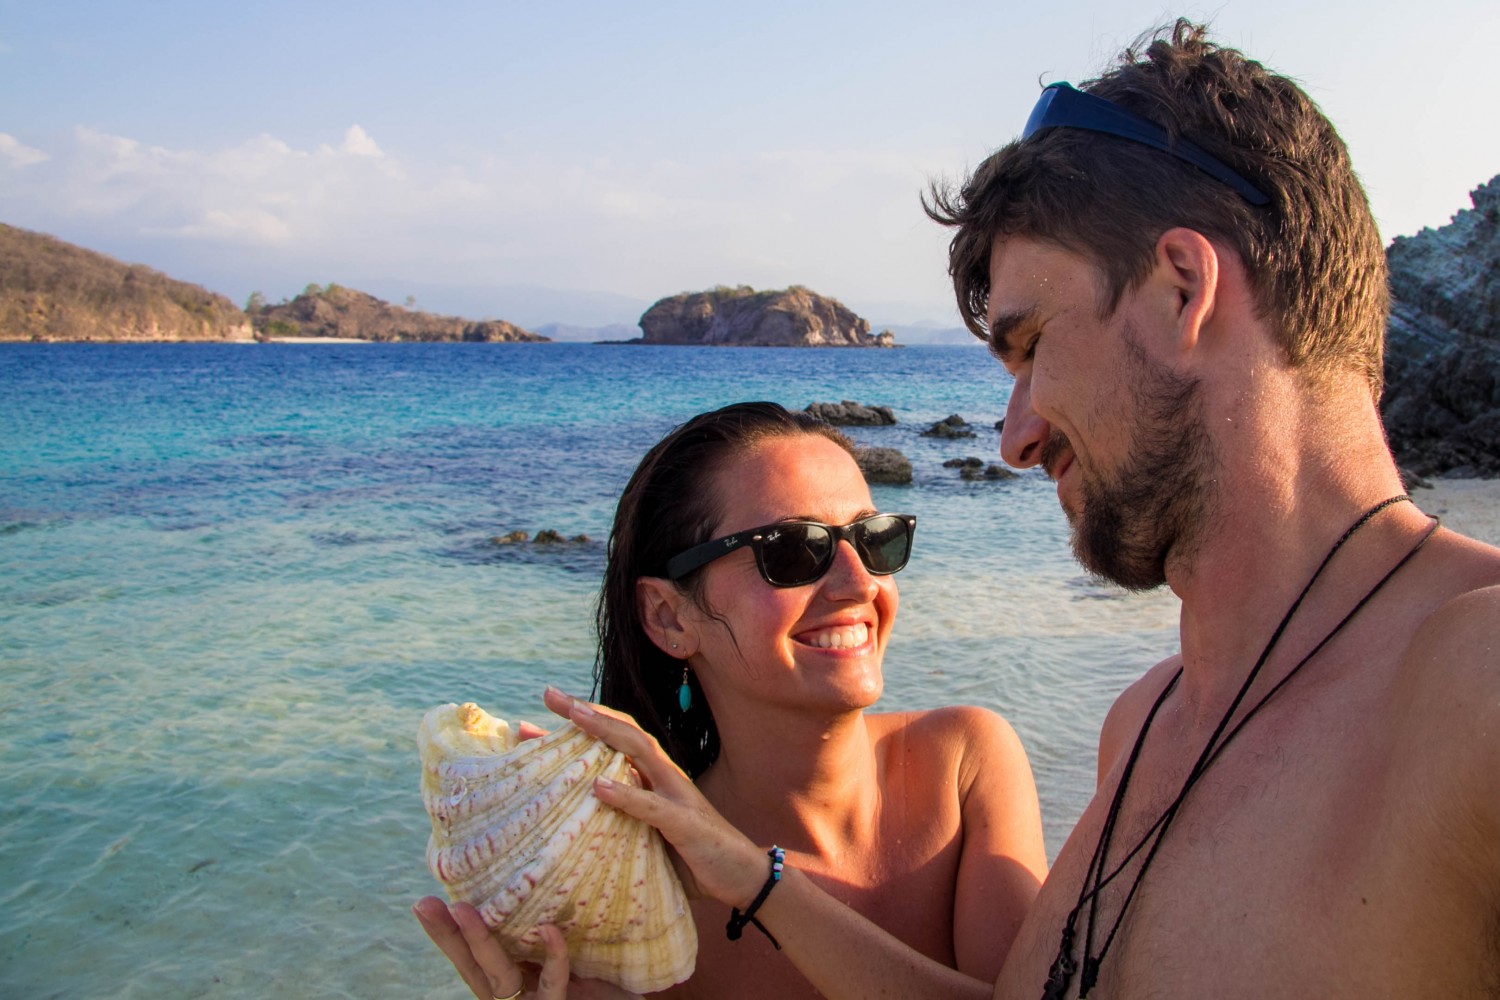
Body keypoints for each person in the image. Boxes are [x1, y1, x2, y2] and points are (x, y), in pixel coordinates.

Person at [917, 19, 1500, 998]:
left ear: (1183, 289)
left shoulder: (1476, 689)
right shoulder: (1143, 723)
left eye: (1030, 349)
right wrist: (732, 870)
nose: (1013, 438)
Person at [413, 401, 1048, 999]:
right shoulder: (637, 904)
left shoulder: (963, 763)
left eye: (875, 538)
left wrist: (758, 883)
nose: (861, 583)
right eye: (795, 550)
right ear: (667, 617)